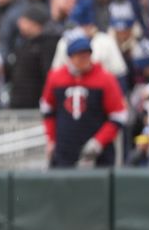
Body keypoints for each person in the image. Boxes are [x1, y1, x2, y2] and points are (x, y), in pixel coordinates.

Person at [40, 31, 127, 168]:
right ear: (70, 57)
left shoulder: (105, 79)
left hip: (98, 154)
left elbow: (119, 115)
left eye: (87, 54)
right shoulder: (56, 78)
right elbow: (47, 110)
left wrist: (98, 142)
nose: (84, 59)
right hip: (64, 151)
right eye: (79, 55)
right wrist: (51, 139)